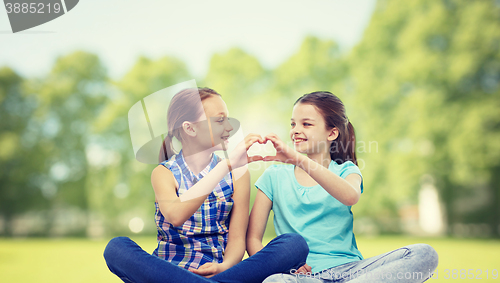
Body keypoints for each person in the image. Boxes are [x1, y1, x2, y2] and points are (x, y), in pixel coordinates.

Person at [104, 87, 308, 283]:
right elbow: (175, 215)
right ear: (190, 128)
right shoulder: (164, 173)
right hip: (167, 272)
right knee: (116, 248)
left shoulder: (238, 174)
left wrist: (224, 266)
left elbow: (237, 239)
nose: (229, 127)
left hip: (220, 272)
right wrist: (226, 166)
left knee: (294, 245)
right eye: (220, 120)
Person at [247, 91, 438, 283]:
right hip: (304, 278)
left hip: (352, 272)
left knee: (424, 254)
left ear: (332, 133)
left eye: (306, 124)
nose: (295, 130)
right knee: (275, 281)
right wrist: (283, 266)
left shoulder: (347, 171)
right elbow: (253, 239)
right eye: (293, 124)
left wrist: (299, 160)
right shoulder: (274, 176)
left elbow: (350, 196)